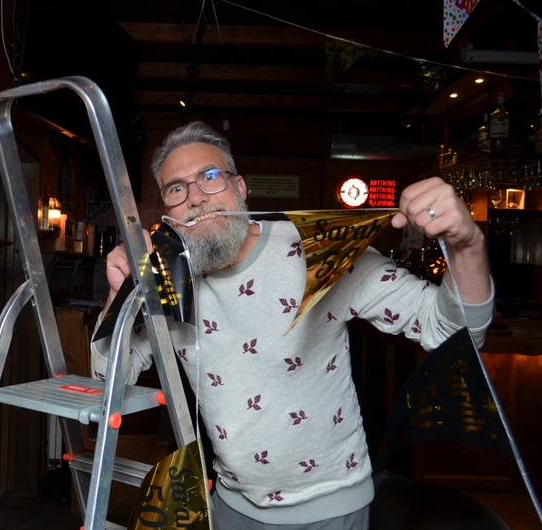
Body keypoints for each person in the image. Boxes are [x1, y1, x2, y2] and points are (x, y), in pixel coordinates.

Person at [90, 121, 494, 529]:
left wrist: (467, 244)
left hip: (330, 509)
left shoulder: (318, 249)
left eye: (210, 176)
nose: (195, 197)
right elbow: (108, 382)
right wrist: (118, 295)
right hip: (230, 507)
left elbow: (453, 334)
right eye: (176, 188)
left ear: (240, 188)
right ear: (167, 211)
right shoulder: (167, 278)